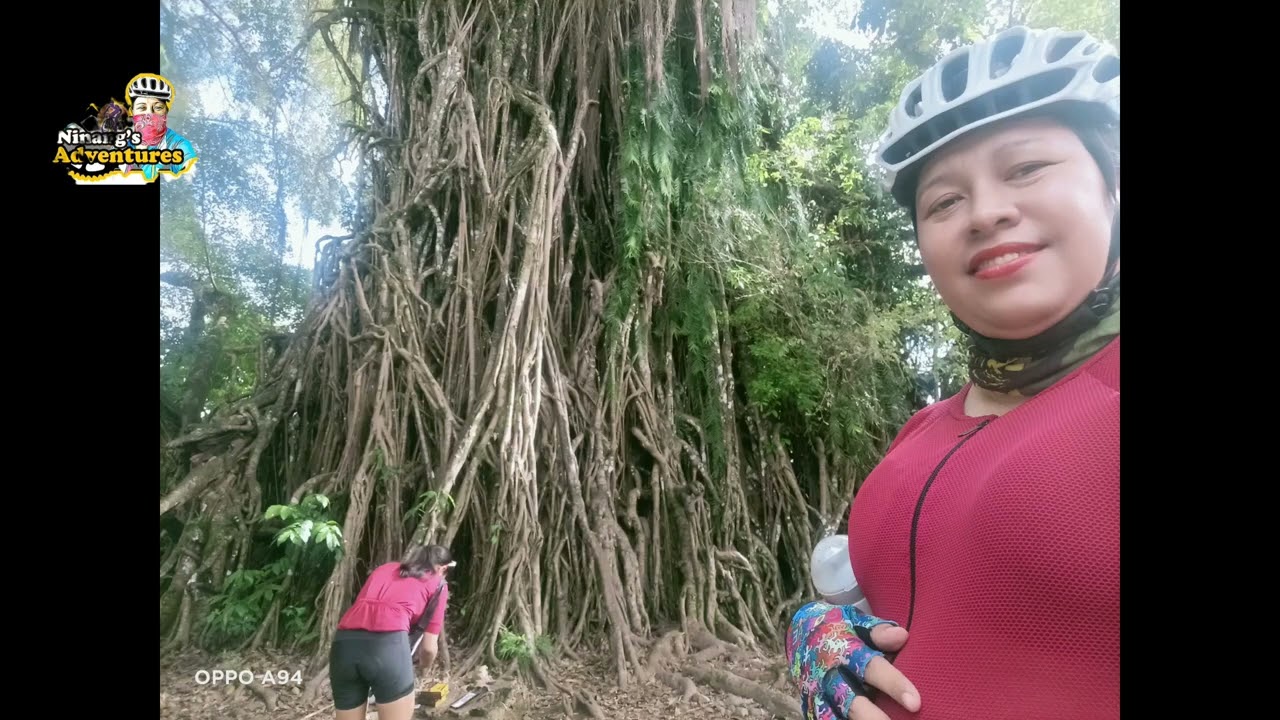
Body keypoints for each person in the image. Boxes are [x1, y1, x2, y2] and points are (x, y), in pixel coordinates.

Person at [785, 25, 1119, 720]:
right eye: (943, 201)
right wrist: (824, 632)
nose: (988, 212)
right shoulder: (920, 432)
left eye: (1026, 168)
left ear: (1111, 188)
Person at [329, 544, 454, 720]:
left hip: (343, 644)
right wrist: (424, 667)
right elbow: (428, 648)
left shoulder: (384, 569)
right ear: (442, 568)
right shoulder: (438, 583)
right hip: (388, 645)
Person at [122, 73, 198, 181]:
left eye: (157, 108)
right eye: (142, 108)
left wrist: (188, 169)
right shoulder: (121, 139)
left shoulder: (175, 143)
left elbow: (186, 160)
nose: (149, 115)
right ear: (131, 112)